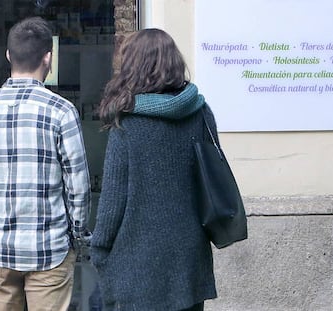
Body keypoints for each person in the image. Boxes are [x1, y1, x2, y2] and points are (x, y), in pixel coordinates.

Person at [0, 16, 91, 311]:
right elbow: (78, 185)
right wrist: (76, 234)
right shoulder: (61, 111)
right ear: (49, 58)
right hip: (50, 251)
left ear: (8, 56)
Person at [90, 28, 217, 311]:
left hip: (139, 264)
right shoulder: (200, 112)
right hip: (190, 259)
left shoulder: (127, 124)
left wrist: (98, 249)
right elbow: (210, 179)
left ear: (132, 67)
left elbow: (113, 202)